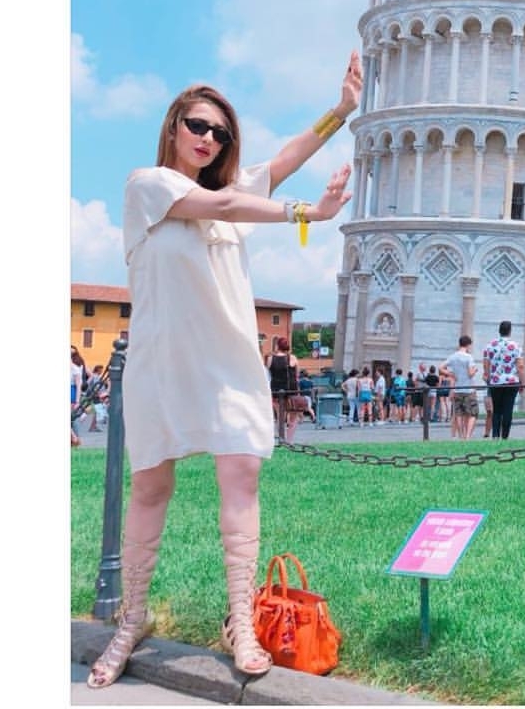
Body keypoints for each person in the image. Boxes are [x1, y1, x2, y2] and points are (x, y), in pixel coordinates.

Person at [85, 51, 361, 689]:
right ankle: (132, 620)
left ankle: (242, 621)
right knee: (150, 489)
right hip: (162, 364)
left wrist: (341, 111)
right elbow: (228, 205)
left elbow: (282, 161)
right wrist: (305, 214)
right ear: (173, 126)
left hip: (230, 364)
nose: (208, 138)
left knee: (241, 480)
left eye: (220, 132)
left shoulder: (229, 195)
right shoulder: (148, 185)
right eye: (198, 126)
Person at [483, 320, 525, 439]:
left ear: (499, 331)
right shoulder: (515, 346)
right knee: (508, 409)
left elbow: (486, 364)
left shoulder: (490, 345)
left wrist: (488, 377)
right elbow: (520, 366)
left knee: (496, 410)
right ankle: (505, 436)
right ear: (510, 331)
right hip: (511, 381)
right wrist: (522, 381)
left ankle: (495, 435)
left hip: (495, 381)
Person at [444, 334, 479, 440]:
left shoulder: (452, 357)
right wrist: (475, 370)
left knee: (459, 414)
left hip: (457, 389)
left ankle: (460, 435)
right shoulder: (469, 357)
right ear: (468, 345)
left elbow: (440, 367)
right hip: (468, 389)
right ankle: (467, 436)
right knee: (473, 413)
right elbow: (470, 374)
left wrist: (450, 374)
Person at [267, 337, 302, 443]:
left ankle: (281, 438)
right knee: (293, 416)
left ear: (277, 346)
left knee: (280, 416)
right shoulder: (292, 358)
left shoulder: (270, 359)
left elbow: (268, 374)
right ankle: (289, 440)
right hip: (291, 391)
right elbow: (297, 376)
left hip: (276, 391)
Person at [70, 347, 85, 446]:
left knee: (72, 419)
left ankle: (75, 438)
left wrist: (77, 401)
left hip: (71, 393)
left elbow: (78, 386)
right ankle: (74, 438)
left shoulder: (75, 369)